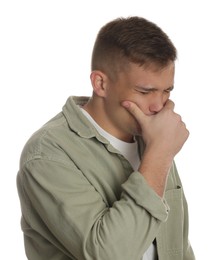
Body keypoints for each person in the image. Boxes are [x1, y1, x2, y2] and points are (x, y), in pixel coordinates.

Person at [17, 16, 195, 260]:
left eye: (166, 91)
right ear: (100, 83)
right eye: (145, 91)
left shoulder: (153, 137)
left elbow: (178, 246)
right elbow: (109, 254)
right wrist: (161, 154)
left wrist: (158, 151)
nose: (158, 105)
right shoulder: (48, 154)